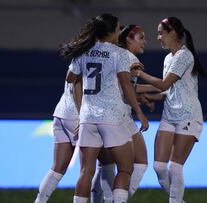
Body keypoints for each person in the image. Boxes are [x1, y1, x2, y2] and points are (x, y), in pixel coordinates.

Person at [62, 13, 149, 203]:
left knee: (86, 171)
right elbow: (126, 86)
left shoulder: (83, 51)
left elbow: (71, 79)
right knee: (126, 169)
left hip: (88, 117)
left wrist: (80, 111)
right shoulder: (120, 54)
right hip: (111, 117)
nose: (119, 32)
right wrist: (140, 113)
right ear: (110, 32)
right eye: (118, 28)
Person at [131, 17, 206, 203]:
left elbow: (164, 84)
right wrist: (143, 95)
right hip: (169, 115)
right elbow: (166, 90)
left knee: (174, 167)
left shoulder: (184, 56)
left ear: (172, 33)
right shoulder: (168, 58)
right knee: (158, 166)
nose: (158, 37)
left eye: (160, 33)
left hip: (189, 116)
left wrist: (139, 74)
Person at [90, 24, 157, 203]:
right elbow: (127, 89)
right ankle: (116, 200)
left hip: (97, 114)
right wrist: (159, 87)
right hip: (118, 117)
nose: (145, 42)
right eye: (141, 38)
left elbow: (124, 89)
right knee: (138, 164)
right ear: (129, 39)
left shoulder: (112, 54)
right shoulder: (127, 57)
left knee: (105, 166)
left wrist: (144, 97)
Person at [34, 73, 82, 203]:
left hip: (61, 113)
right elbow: (79, 84)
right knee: (93, 168)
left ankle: (40, 201)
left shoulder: (76, 60)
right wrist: (81, 115)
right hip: (77, 117)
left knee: (57, 168)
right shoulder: (93, 58)